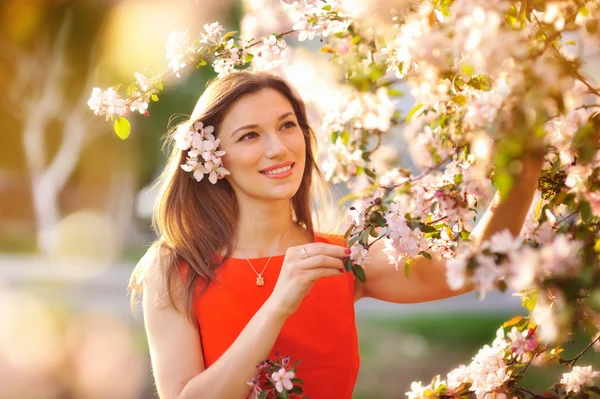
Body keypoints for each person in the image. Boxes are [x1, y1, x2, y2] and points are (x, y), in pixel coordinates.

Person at [129, 71, 543, 399]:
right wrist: (278, 306)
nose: (278, 148)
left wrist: (523, 170)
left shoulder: (343, 259)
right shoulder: (176, 268)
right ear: (212, 157)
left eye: (287, 125)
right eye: (250, 135)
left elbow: (475, 265)